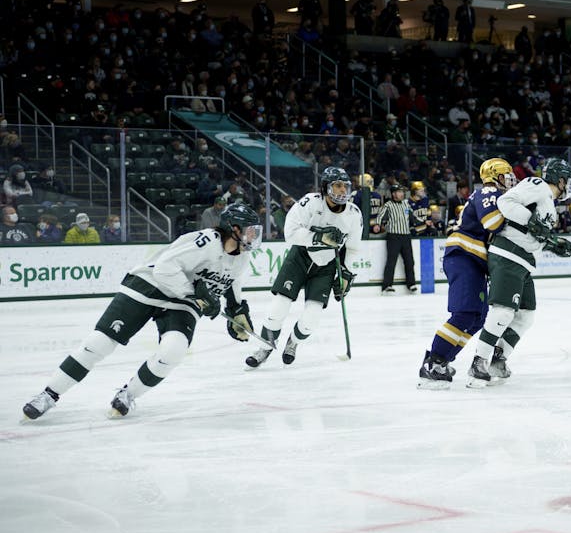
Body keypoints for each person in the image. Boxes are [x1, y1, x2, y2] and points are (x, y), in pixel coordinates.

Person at [22, 203, 261, 419]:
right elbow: (165, 269)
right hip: (148, 285)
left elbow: (232, 282)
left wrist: (237, 310)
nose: (254, 235)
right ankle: (48, 394)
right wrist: (194, 294)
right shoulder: (206, 241)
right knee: (99, 343)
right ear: (234, 229)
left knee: (174, 351)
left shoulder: (242, 258)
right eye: (250, 229)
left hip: (181, 301)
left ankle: (128, 394)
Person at [467, 158, 571, 387]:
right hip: (508, 255)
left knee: (526, 315)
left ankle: (499, 360)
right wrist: (533, 223)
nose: (569, 185)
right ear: (560, 179)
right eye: (568, 180)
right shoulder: (537, 184)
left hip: (524, 261)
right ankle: (478, 362)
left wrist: (555, 244)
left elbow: (534, 234)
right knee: (503, 312)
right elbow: (506, 202)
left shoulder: (548, 202)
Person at [245, 167, 363, 368]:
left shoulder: (353, 214)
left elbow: (352, 248)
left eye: (345, 186)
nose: (343, 190)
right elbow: (289, 232)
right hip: (300, 257)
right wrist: (317, 237)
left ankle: (293, 343)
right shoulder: (310, 202)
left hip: (325, 266)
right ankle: (265, 347)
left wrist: (346, 274)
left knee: (312, 317)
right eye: (338, 185)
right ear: (326, 187)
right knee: (278, 307)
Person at [418, 158, 515, 389]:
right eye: (506, 174)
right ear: (494, 177)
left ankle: (443, 360)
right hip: (464, 256)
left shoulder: (496, 195)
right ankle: (433, 363)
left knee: (477, 318)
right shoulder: (488, 191)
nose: (510, 179)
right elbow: (493, 223)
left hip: (474, 261)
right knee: (463, 314)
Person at [375, 183, 416, 293]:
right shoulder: (388, 205)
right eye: (399, 192)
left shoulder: (406, 204)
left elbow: (413, 217)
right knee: (391, 261)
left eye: (402, 192)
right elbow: (380, 215)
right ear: (393, 194)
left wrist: (423, 221)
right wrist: (377, 225)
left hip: (406, 236)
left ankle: (411, 284)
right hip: (394, 236)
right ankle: (387, 285)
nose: (402, 194)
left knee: (409, 261)